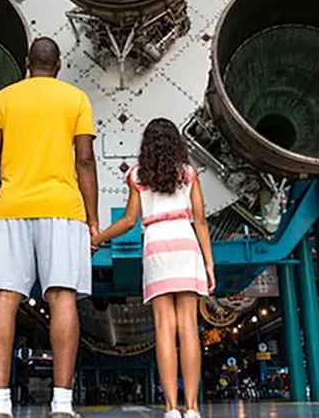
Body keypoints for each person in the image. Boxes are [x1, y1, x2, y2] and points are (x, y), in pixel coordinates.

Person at [0, 37, 99, 418]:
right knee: (62, 297)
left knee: (5, 298)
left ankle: (0, 404)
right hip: (63, 209)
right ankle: (62, 403)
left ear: (27, 64)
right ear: (58, 65)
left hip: (11, 207)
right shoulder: (76, 99)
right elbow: (85, 161)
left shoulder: (2, 99)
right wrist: (93, 219)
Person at [92, 118, 216, 418]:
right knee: (188, 328)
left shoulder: (137, 175)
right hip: (186, 246)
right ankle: (193, 407)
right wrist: (209, 264)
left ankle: (171, 408)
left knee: (164, 328)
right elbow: (200, 221)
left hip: (156, 247)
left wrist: (98, 238)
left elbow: (129, 221)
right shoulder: (188, 174)